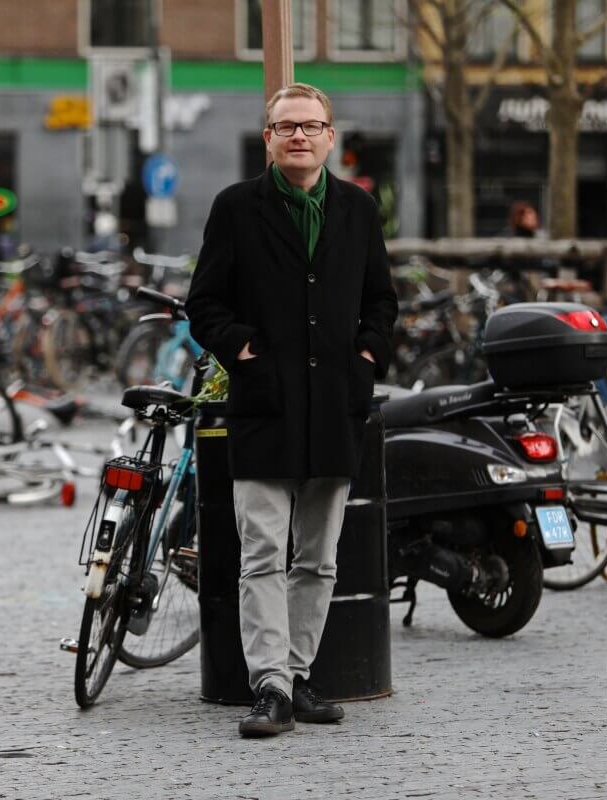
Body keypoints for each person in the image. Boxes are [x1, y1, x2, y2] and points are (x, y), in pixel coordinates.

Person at [187, 83, 398, 738]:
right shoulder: (235, 208)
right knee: (261, 553)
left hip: (335, 404)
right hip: (264, 405)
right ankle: (271, 687)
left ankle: (299, 674)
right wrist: (242, 350)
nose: (299, 135)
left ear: (331, 137)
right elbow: (205, 304)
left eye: (311, 125)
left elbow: (382, 303)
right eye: (286, 127)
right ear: (269, 139)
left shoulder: (357, 210)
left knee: (319, 558)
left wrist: (366, 357)